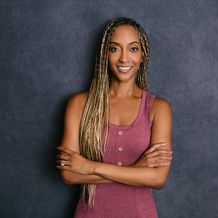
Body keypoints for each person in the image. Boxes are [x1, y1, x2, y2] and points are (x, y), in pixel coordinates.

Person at [56, 17, 173, 218]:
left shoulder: (158, 108)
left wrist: (89, 167)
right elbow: (68, 174)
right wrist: (136, 170)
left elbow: (157, 179)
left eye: (133, 49)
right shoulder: (79, 104)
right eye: (115, 49)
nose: (124, 59)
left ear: (143, 55)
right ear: (105, 54)